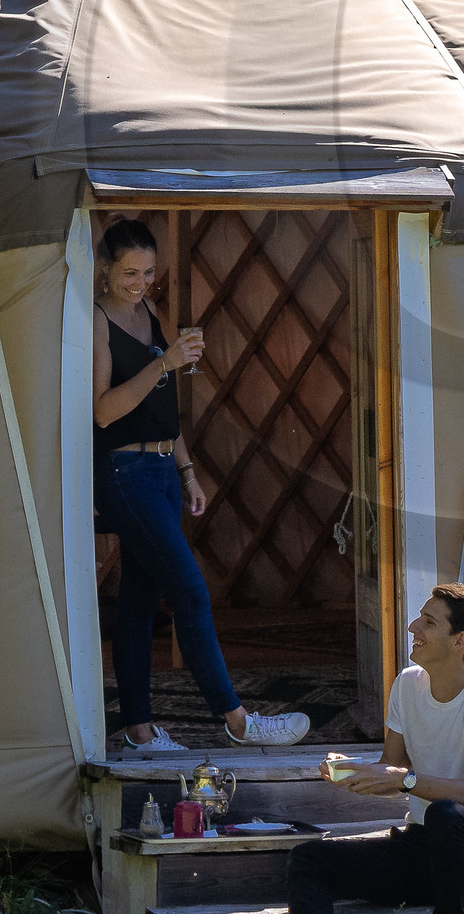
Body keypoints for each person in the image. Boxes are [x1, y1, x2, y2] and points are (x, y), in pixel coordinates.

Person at [93, 216, 309, 753]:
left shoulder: (150, 312)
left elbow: (165, 406)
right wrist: (163, 362)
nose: (140, 282)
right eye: (128, 272)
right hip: (124, 472)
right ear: (104, 268)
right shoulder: (96, 320)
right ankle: (238, 721)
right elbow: (102, 412)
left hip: (163, 470)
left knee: (140, 604)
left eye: (147, 271)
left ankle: (141, 733)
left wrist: (187, 470)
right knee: (189, 591)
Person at [264, 584, 464, 914]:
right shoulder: (407, 685)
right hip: (424, 850)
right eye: (419, 617)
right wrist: (350, 769)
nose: (411, 626)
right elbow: (393, 767)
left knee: (448, 814)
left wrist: (407, 780)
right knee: (309, 858)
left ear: (460, 641)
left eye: (428, 622)